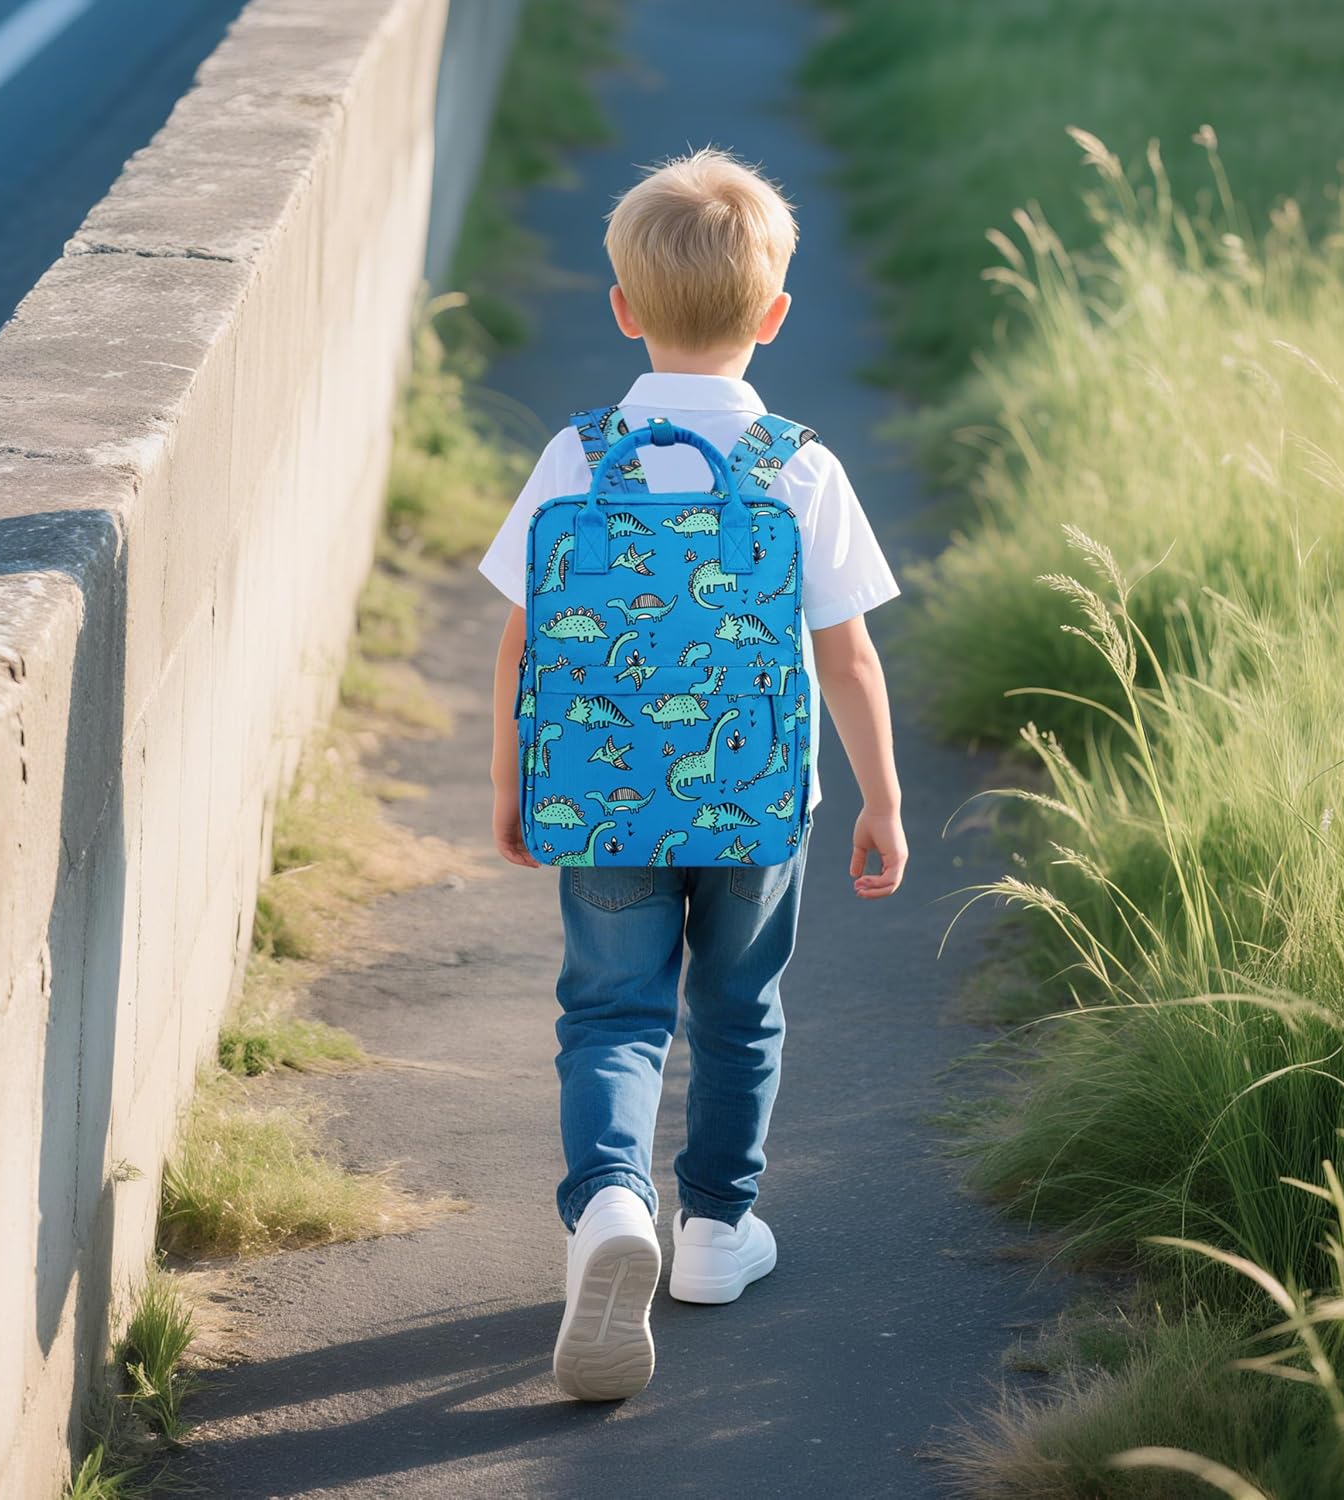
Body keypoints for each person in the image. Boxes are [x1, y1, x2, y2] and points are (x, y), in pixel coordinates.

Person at [478, 147, 906, 1401]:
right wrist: (880, 797)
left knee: (611, 1013)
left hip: (602, 801)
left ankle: (610, 1203)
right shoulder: (799, 466)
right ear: (774, 317)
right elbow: (850, 655)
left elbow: (520, 641)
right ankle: (716, 1230)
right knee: (740, 1009)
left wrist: (512, 785)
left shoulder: (581, 455)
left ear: (621, 310)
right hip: (760, 804)